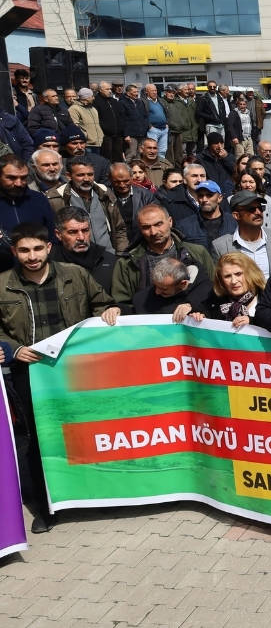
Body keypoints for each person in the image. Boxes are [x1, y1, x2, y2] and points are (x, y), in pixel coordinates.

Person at [0, 224, 119, 532]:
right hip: (31, 373)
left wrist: (109, 311)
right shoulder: (2, 285)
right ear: (14, 252)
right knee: (41, 439)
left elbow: (102, 302)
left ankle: (100, 494)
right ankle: (46, 507)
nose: (32, 256)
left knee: (87, 429)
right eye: (24, 250)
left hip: (74, 368)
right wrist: (12, 348)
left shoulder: (73, 274)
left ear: (49, 248)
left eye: (37, 249)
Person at [213, 190, 271, 277]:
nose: (258, 212)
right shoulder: (221, 246)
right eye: (251, 209)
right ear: (236, 215)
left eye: (260, 208)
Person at [189, 252, 266, 328]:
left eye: (238, 274)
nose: (234, 281)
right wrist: (198, 316)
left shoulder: (268, 297)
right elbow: (199, 311)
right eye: (227, 276)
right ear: (221, 280)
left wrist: (252, 321)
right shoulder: (214, 302)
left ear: (251, 273)